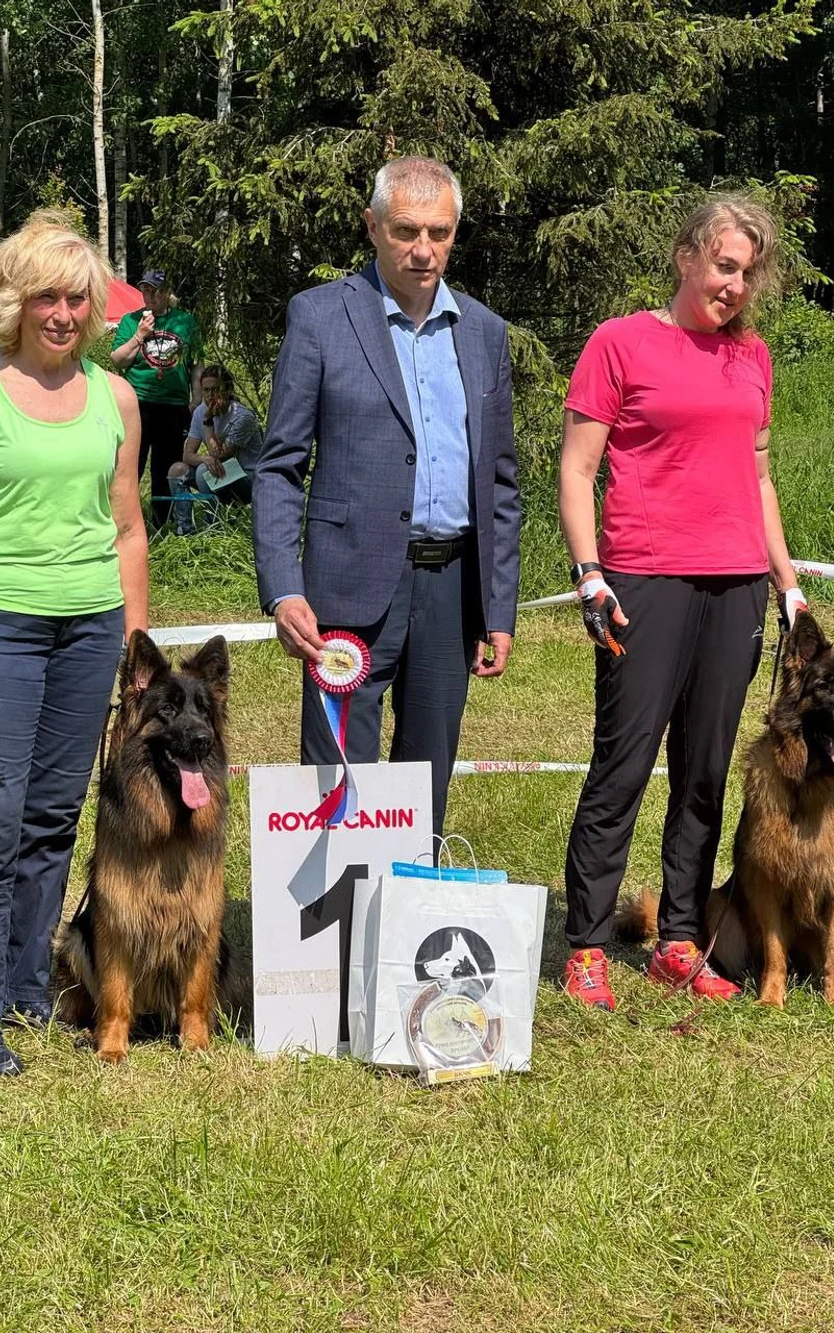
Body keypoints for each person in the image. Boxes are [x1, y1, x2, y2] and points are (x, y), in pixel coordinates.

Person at [558, 195, 808, 1012]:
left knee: (704, 773)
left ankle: (677, 938)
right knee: (622, 768)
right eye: (723, 264)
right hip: (644, 578)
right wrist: (590, 571)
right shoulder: (620, 342)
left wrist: (787, 583)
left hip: (735, 583)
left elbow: (759, 478)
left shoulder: (754, 358)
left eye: (747, 272)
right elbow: (576, 467)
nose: (733, 285)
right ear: (686, 256)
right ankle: (588, 943)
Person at [0, 210, 148, 1076]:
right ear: (14, 301)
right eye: (46, 295)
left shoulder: (115, 397)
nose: (61, 311)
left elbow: (127, 530)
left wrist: (135, 645)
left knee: (52, 816)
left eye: (76, 296)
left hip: (89, 627)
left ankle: (20, 981)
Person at [252, 156, 520, 840]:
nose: (423, 250)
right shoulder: (319, 318)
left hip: (452, 589)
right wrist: (284, 589)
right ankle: (340, 937)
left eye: (440, 231)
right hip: (346, 585)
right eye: (405, 231)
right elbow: (279, 465)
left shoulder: (485, 333)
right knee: (337, 777)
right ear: (371, 227)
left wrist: (499, 606)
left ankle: (402, 935)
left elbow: (500, 482)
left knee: (426, 782)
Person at [110, 269, 202, 528]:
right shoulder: (132, 320)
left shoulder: (186, 322)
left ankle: (160, 524)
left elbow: (196, 364)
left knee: (165, 468)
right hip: (138, 403)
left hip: (174, 406)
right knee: (131, 465)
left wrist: (196, 398)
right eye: (145, 289)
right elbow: (117, 360)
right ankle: (123, 522)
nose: (148, 295)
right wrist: (139, 335)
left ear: (166, 293)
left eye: (154, 290)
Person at [167, 364, 263, 534]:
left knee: (205, 471)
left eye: (215, 389)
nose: (210, 396)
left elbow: (220, 455)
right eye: (206, 390)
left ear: (227, 389)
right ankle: (185, 529)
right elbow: (187, 455)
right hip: (220, 472)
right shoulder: (200, 412)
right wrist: (203, 458)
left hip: (248, 476)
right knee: (177, 470)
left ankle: (214, 528)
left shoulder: (242, 417)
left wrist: (208, 422)